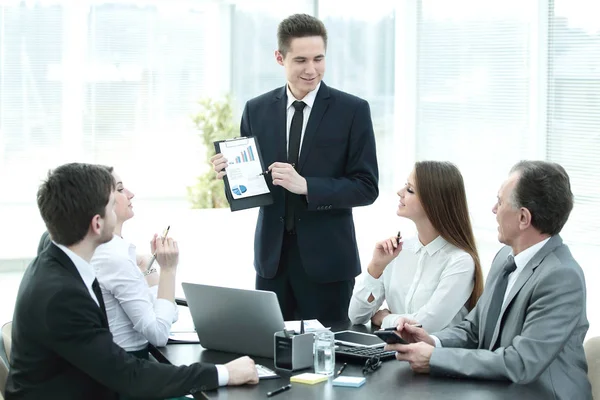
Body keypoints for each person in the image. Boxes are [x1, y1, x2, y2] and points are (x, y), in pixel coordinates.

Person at [6, 163, 258, 400]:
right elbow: (128, 376)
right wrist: (224, 373)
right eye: (110, 203)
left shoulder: (57, 258)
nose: (121, 203)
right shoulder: (63, 296)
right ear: (97, 223)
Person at [210, 14, 379, 322]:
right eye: (300, 59)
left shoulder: (352, 111)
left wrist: (308, 186)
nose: (311, 69)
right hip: (272, 263)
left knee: (328, 360)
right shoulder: (256, 110)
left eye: (318, 59)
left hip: (328, 265)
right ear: (279, 57)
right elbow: (254, 190)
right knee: (271, 355)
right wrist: (231, 175)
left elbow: (366, 187)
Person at [386, 161, 591, 400]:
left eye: (501, 201)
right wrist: (433, 341)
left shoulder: (561, 277)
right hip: (496, 388)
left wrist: (434, 359)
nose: (494, 209)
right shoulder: (506, 256)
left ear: (523, 218)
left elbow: (520, 362)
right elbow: (475, 329)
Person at [348, 161, 483, 332]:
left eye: (410, 190)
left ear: (433, 202)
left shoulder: (460, 261)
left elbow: (426, 324)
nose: (400, 192)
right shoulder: (398, 251)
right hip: (393, 352)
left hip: (434, 357)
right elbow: (356, 316)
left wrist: (385, 319)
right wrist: (376, 267)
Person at [91, 169, 179, 355]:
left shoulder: (118, 251)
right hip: (128, 365)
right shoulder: (113, 257)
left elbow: (169, 315)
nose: (131, 194)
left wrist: (150, 269)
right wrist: (168, 270)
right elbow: (159, 334)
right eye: (121, 189)